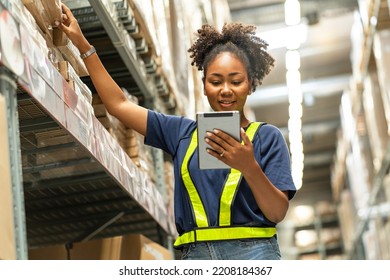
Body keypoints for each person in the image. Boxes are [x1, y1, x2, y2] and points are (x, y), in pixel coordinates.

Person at [58, 3, 296, 260]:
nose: (225, 90)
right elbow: (119, 105)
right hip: (195, 257)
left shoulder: (267, 137)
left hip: (255, 256)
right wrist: (83, 45)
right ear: (204, 86)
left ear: (250, 85)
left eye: (236, 81)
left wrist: (248, 166)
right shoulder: (181, 133)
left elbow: (276, 212)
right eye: (215, 81)